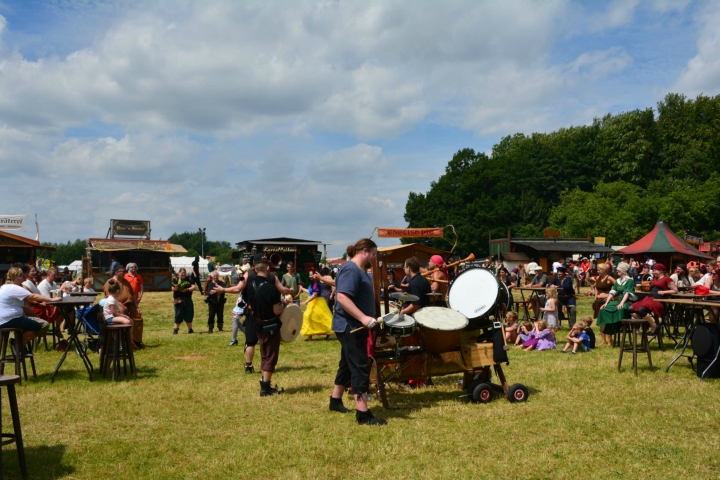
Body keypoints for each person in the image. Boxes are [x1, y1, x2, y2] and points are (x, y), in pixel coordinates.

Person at [329, 238, 387, 425]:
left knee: (347, 363)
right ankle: (363, 413)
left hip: (353, 326)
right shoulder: (351, 269)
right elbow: (343, 297)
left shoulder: (359, 270)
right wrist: (363, 317)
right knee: (360, 365)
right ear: (364, 251)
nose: (374, 257)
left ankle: (335, 400)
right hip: (350, 326)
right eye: (373, 253)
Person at [213, 255, 292, 373]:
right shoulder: (272, 276)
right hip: (268, 315)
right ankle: (266, 365)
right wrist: (290, 291)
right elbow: (283, 290)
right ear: (267, 266)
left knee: (250, 342)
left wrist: (222, 289)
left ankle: (248, 366)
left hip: (252, 313)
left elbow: (237, 289)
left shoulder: (248, 275)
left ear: (255, 266)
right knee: (268, 342)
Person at [247, 256, 289, 396]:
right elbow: (277, 310)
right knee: (271, 356)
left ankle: (265, 382)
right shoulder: (272, 288)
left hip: (257, 324)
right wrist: (284, 303)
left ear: (255, 269)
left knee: (264, 354)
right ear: (267, 268)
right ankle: (265, 388)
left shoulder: (250, 285)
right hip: (270, 326)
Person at [0, 267, 51, 347]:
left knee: (37, 324)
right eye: (24, 276)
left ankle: (20, 346)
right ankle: (17, 343)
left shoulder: (4, 286)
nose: (25, 279)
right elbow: (33, 296)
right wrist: (51, 299)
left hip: (5, 319)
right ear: (19, 276)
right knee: (40, 326)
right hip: (11, 319)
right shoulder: (14, 288)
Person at [629, 263, 677, 335]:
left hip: (659, 299)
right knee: (631, 308)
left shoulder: (667, 279)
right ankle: (645, 323)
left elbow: (675, 290)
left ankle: (653, 325)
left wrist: (664, 292)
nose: (653, 272)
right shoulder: (655, 278)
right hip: (649, 297)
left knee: (641, 310)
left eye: (655, 270)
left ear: (661, 270)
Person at [104, 265, 144, 347]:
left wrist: (136, 307)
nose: (125, 273)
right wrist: (121, 304)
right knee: (122, 312)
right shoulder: (110, 282)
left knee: (138, 316)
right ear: (117, 272)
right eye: (123, 272)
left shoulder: (126, 282)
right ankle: (121, 341)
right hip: (117, 305)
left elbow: (132, 295)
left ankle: (136, 341)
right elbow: (109, 296)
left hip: (129, 304)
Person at [597, 262, 636, 346]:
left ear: (623, 271)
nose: (617, 272)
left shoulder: (629, 281)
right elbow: (612, 292)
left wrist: (622, 303)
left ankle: (618, 326)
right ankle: (607, 330)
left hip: (626, 302)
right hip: (617, 301)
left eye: (619, 271)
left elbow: (627, 293)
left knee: (620, 309)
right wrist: (606, 303)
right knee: (603, 309)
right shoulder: (618, 281)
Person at [103, 279, 137, 349]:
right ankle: (123, 341)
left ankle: (129, 340)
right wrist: (124, 316)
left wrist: (124, 316)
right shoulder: (111, 300)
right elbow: (114, 313)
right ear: (117, 291)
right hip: (110, 318)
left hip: (113, 317)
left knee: (131, 321)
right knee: (128, 322)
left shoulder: (114, 299)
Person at [300, 271, 333, 340]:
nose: (310, 276)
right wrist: (302, 288)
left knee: (320, 317)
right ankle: (310, 335)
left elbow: (315, 295)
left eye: (312, 275)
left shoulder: (316, 283)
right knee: (309, 317)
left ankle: (328, 331)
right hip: (312, 302)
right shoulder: (313, 283)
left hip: (317, 302)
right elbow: (310, 292)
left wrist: (306, 301)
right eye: (309, 275)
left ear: (315, 276)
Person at [172, 268, 195, 334]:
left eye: (184, 273)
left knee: (189, 314)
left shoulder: (189, 279)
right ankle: (175, 330)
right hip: (178, 299)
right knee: (178, 314)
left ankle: (190, 329)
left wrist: (186, 290)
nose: (183, 274)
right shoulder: (175, 279)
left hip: (188, 299)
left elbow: (194, 287)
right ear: (179, 273)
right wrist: (178, 287)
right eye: (181, 273)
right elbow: (172, 288)